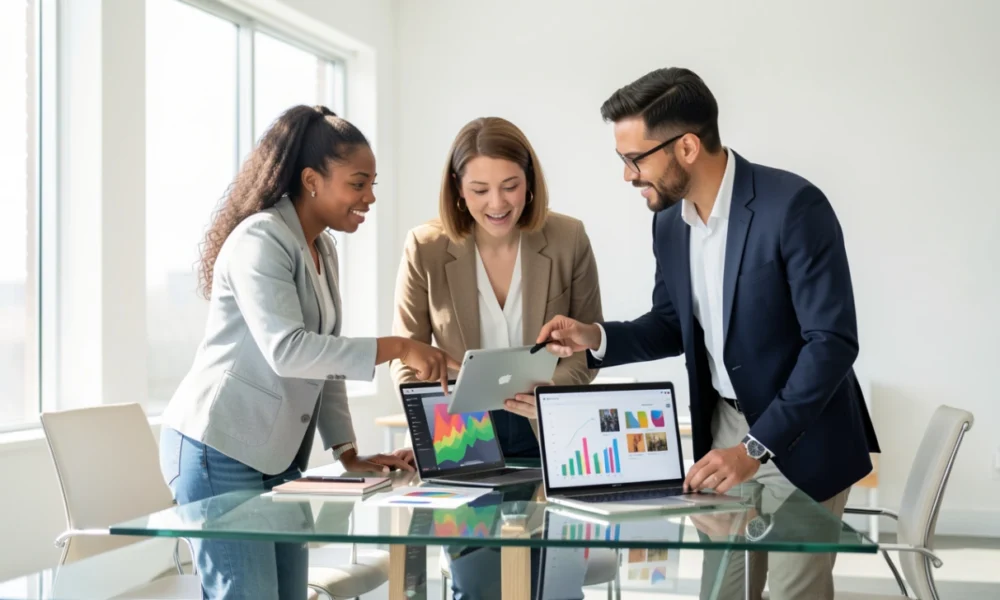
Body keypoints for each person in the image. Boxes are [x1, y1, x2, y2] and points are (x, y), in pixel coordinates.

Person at [536, 68, 879, 599]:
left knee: (794, 593)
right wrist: (595, 337)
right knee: (722, 590)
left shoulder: (792, 206)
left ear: (688, 146)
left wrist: (755, 447)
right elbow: (672, 325)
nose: (627, 175)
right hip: (722, 428)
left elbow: (831, 343)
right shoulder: (669, 222)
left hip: (803, 433)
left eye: (635, 159)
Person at [158, 105, 459, 599]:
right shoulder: (261, 239)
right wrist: (401, 347)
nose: (370, 197)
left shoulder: (321, 247)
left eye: (373, 184)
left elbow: (326, 363)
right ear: (312, 180)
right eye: (358, 183)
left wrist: (347, 452)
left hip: (274, 455)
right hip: (220, 447)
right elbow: (289, 351)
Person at [390, 116, 603, 458]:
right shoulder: (424, 246)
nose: (497, 203)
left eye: (510, 186)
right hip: (457, 429)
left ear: (529, 181)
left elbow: (589, 345)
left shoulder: (569, 238)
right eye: (479, 190)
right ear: (458, 187)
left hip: (547, 425)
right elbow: (405, 355)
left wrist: (550, 393)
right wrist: (431, 429)